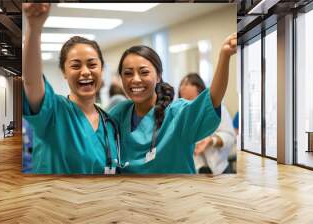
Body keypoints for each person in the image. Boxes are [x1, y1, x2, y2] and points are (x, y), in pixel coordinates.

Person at [109, 35, 236, 174]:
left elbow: (212, 100)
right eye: (128, 73)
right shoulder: (119, 113)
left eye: (144, 72)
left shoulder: (177, 114)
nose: (135, 79)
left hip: (175, 193)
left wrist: (224, 56)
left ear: (158, 76)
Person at [22, 3, 118, 174]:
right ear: (64, 72)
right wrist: (34, 27)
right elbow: (30, 81)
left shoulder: (110, 123)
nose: (86, 72)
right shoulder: (53, 112)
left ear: (102, 69)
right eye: (75, 66)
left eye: (92, 64)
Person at [179, 73, 236, 175]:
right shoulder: (178, 114)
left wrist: (211, 141)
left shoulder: (217, 109)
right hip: (192, 173)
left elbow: (230, 137)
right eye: (181, 84)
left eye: (187, 83)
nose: (182, 87)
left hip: (220, 170)